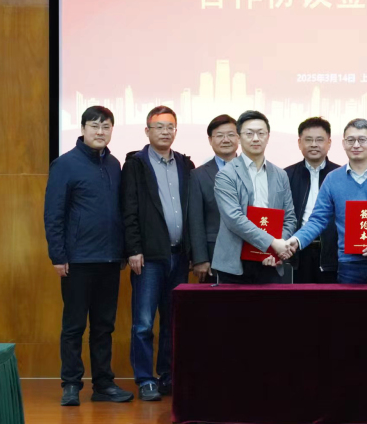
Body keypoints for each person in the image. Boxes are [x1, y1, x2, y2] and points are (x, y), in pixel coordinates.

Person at [44, 106, 133, 406]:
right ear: (82, 129)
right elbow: (53, 214)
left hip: (109, 259)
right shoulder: (65, 164)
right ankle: (71, 384)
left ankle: (103, 384)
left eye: (106, 126)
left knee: (104, 326)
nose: (100, 132)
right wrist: (58, 256)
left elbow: (120, 211)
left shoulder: (115, 164)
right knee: (74, 326)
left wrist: (123, 251)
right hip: (77, 260)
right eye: (94, 126)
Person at [121, 105, 195, 401]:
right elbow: (128, 210)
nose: (165, 132)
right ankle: (144, 379)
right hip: (148, 258)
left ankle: (167, 375)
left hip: (179, 256)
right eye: (159, 127)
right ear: (147, 131)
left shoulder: (185, 165)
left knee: (172, 321)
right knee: (143, 323)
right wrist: (133, 249)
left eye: (170, 127)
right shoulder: (135, 165)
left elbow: (192, 211)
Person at [285, 119, 367, 284]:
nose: (356, 145)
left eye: (362, 140)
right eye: (350, 140)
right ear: (343, 144)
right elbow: (318, 220)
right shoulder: (332, 179)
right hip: (350, 265)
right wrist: (297, 240)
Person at [211, 110, 296, 283]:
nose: (255, 138)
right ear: (239, 137)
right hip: (236, 264)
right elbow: (234, 218)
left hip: (272, 261)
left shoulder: (280, 175)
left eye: (261, 133)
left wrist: (277, 249)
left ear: (268, 137)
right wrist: (272, 244)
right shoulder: (226, 175)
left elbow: (290, 218)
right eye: (249, 133)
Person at [285, 117, 340, 283]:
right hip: (297, 252)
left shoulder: (341, 175)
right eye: (308, 140)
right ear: (299, 143)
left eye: (319, 140)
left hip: (332, 253)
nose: (314, 144)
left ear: (329, 143)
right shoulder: (285, 175)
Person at [189, 114, 239, 283]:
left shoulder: (254, 170)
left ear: (239, 138)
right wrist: (200, 258)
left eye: (231, 134)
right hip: (213, 255)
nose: (226, 140)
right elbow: (195, 219)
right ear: (210, 140)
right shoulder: (198, 175)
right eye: (219, 135)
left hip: (250, 253)